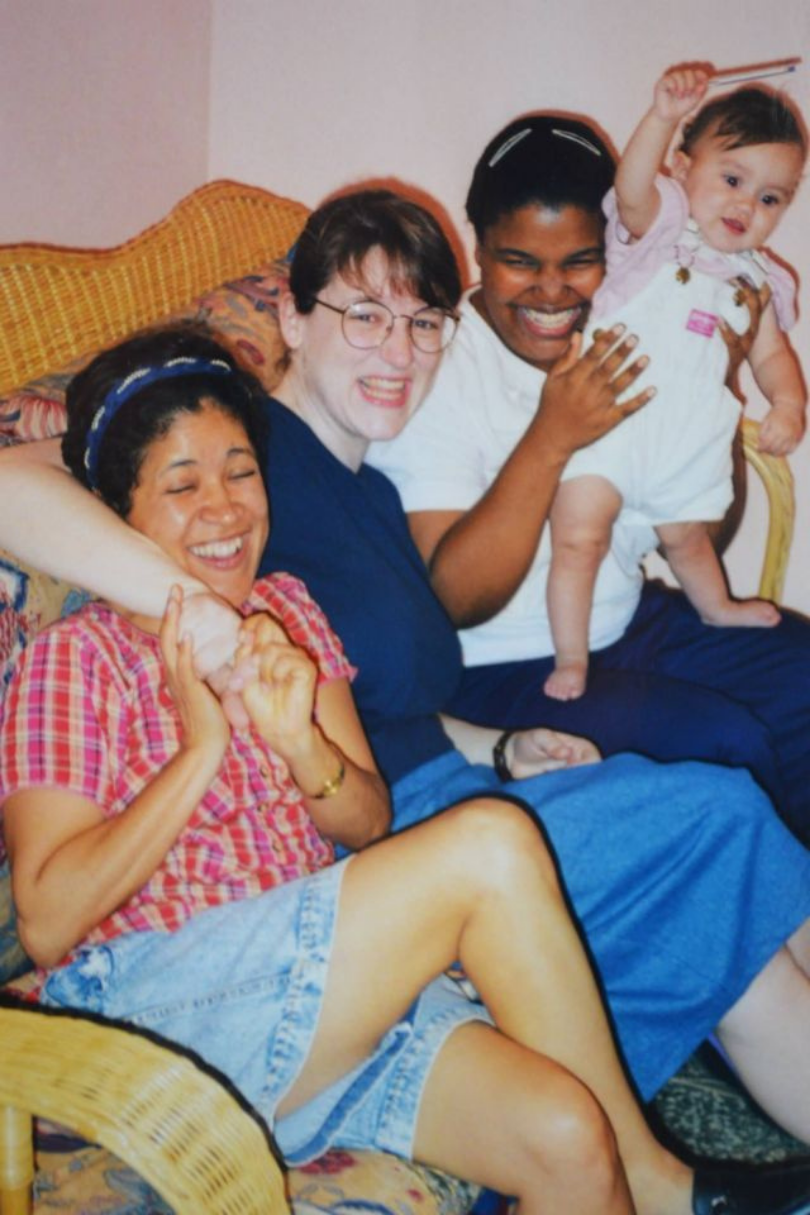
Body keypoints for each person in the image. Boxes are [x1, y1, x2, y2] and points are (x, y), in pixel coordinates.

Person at [3, 197, 810, 1197]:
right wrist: (200, 711)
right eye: (366, 315)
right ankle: (663, 1188)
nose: (223, 510)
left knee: (579, 1104)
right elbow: (46, 922)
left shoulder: (318, 553)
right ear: (290, 323)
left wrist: (445, 747)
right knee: (676, 808)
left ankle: (660, 1176)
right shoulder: (112, 625)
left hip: (329, 905)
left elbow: (364, 792)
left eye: (425, 321)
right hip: (196, 968)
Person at [367, 116, 810, 843]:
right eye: (518, 260)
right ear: (476, 245)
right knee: (725, 744)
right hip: (503, 669)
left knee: (802, 681)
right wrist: (552, 434)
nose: (551, 290)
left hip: (629, 622)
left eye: (579, 260)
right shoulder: (440, 365)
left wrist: (713, 381)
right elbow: (456, 598)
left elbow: (697, 534)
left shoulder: (638, 325)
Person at [542, 68, 806, 700]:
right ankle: (570, 657)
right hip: (610, 424)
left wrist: (791, 403)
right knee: (579, 537)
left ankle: (713, 607)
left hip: (688, 438)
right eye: (733, 180)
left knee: (689, 539)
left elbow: (772, 355)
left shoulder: (759, 281)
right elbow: (630, 187)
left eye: (772, 198)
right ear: (684, 168)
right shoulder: (658, 232)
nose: (747, 206)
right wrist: (661, 115)